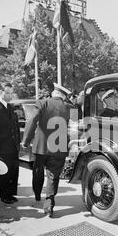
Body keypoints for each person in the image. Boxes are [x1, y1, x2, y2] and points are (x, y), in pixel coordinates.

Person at [22, 83, 72, 217]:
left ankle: (37, 195)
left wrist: (26, 140)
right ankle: (49, 204)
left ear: (53, 93)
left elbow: (32, 120)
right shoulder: (68, 107)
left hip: (41, 146)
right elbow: (77, 124)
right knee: (53, 176)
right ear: (63, 96)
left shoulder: (42, 103)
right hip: (59, 147)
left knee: (38, 172)